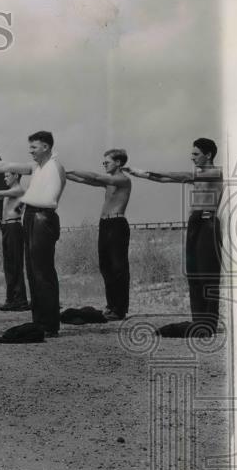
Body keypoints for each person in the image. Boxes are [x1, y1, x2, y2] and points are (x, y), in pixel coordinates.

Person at [0, 132, 66, 336]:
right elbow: (5, 165)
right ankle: (41, 321)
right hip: (32, 217)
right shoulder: (36, 167)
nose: (30, 151)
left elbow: (49, 199)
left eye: (34, 147)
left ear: (46, 147)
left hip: (42, 217)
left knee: (42, 271)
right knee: (33, 272)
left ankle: (49, 324)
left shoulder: (54, 166)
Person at [125, 138, 223, 328]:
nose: (192, 157)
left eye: (196, 154)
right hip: (195, 221)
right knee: (193, 273)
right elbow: (164, 179)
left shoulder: (215, 173)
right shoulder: (199, 174)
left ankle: (209, 323)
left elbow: (178, 176)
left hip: (208, 222)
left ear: (208, 154)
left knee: (208, 274)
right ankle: (199, 321)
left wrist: (148, 172)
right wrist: (140, 174)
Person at [66, 149, 133, 319]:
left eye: (107, 162)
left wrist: (70, 169)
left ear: (118, 163)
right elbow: (83, 180)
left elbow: (95, 176)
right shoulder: (109, 182)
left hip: (117, 224)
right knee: (106, 267)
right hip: (105, 224)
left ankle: (120, 309)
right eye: (103, 162)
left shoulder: (122, 180)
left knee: (119, 268)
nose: (104, 165)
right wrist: (63, 174)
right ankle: (111, 306)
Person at [0, 172, 31, 311]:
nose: (4, 178)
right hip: (8, 227)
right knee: (9, 264)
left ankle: (20, 299)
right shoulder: (10, 192)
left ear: (16, 176)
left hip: (14, 227)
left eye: (7, 176)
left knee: (15, 264)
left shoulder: (18, 190)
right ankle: (12, 298)